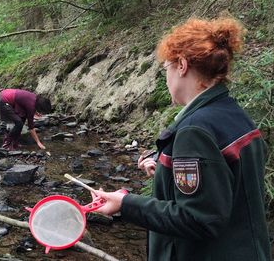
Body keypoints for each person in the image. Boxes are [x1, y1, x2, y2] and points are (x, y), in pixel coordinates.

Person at [93, 17, 271, 260]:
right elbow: (225, 187)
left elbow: (197, 218)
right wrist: (167, 176)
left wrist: (126, 204)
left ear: (182, 65)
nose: (166, 78)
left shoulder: (194, 130)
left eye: (166, 68)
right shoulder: (234, 115)